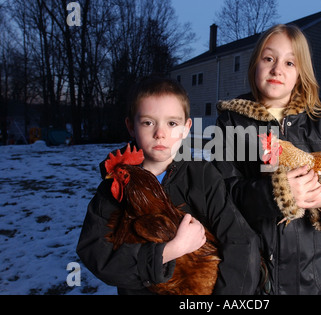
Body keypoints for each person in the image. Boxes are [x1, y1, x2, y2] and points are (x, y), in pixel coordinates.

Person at [214, 24, 321, 295]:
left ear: (301, 73)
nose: (277, 69)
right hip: (253, 276)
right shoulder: (231, 124)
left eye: (289, 62)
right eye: (268, 58)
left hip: (315, 278)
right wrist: (276, 193)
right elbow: (221, 193)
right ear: (255, 65)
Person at [77, 77, 260, 295]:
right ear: (130, 126)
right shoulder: (116, 184)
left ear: (186, 128)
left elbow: (241, 242)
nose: (160, 133)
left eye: (172, 123)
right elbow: (95, 254)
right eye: (148, 122)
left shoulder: (202, 177)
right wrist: (171, 250)